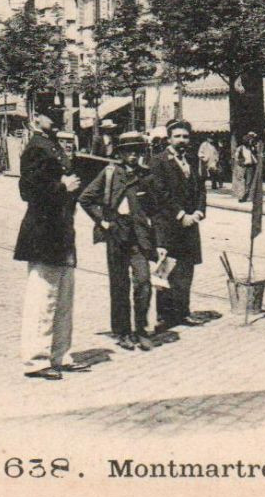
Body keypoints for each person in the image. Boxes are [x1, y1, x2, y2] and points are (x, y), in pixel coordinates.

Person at [14, 113, 84, 380]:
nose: (56, 117)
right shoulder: (35, 148)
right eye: (48, 113)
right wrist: (61, 187)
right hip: (44, 232)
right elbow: (28, 191)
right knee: (43, 298)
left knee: (63, 297)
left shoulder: (52, 145)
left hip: (61, 230)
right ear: (35, 118)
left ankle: (60, 354)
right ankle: (36, 360)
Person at [79, 131, 158, 352]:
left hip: (139, 236)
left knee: (143, 282)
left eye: (137, 151)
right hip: (116, 232)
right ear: (120, 153)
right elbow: (85, 198)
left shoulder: (146, 176)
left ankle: (141, 329)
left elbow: (154, 208)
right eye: (128, 151)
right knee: (119, 284)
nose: (133, 155)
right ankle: (123, 332)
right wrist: (102, 220)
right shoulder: (110, 172)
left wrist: (154, 235)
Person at [149, 119, 207, 331]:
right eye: (178, 136)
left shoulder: (192, 160)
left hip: (191, 224)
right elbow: (160, 193)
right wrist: (181, 214)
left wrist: (199, 212)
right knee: (167, 269)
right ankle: (164, 316)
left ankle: (183, 312)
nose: (182, 140)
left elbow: (201, 189)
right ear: (169, 138)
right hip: (168, 224)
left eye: (186, 137)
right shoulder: (158, 161)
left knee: (186, 270)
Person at [235, 131, 259, 199]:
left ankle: (247, 195)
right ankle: (241, 195)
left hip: (250, 166)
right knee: (242, 181)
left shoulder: (252, 148)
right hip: (243, 166)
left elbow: (254, 156)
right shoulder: (240, 148)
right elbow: (236, 158)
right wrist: (241, 163)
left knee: (249, 181)